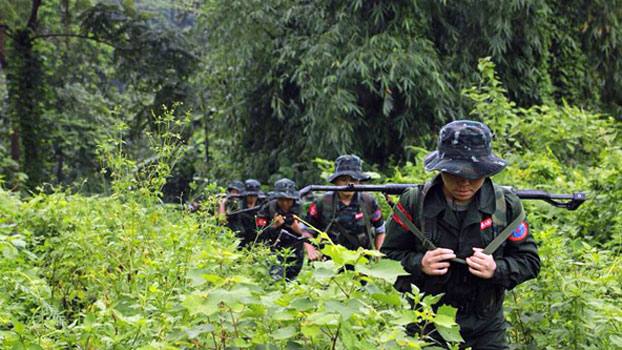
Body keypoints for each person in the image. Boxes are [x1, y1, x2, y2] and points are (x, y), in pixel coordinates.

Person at [381, 120, 540, 349]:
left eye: (474, 174)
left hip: (486, 327)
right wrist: (419, 264)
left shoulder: (505, 206)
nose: (464, 182)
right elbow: (387, 259)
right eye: (455, 173)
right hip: (427, 324)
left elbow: (530, 261)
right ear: (441, 168)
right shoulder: (415, 202)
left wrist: (496, 269)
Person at [303, 155, 386, 260]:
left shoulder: (369, 202)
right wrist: (312, 250)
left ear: (359, 181)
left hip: (361, 264)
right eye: (343, 179)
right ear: (336, 181)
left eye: (354, 180)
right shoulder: (322, 202)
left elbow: (380, 230)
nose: (349, 184)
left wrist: (378, 253)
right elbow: (306, 230)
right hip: (329, 265)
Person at [256, 178, 306, 280]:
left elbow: (312, 233)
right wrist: (273, 226)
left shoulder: (300, 209)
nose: (285, 204)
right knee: (275, 279)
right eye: (281, 200)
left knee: (291, 280)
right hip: (274, 250)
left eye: (288, 200)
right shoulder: (268, 208)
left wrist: (299, 230)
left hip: (295, 252)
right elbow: (259, 234)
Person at [231, 179, 265, 247]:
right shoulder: (239, 206)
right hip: (242, 237)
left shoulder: (261, 205)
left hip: (257, 237)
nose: (252, 198)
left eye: (254, 196)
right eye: (250, 196)